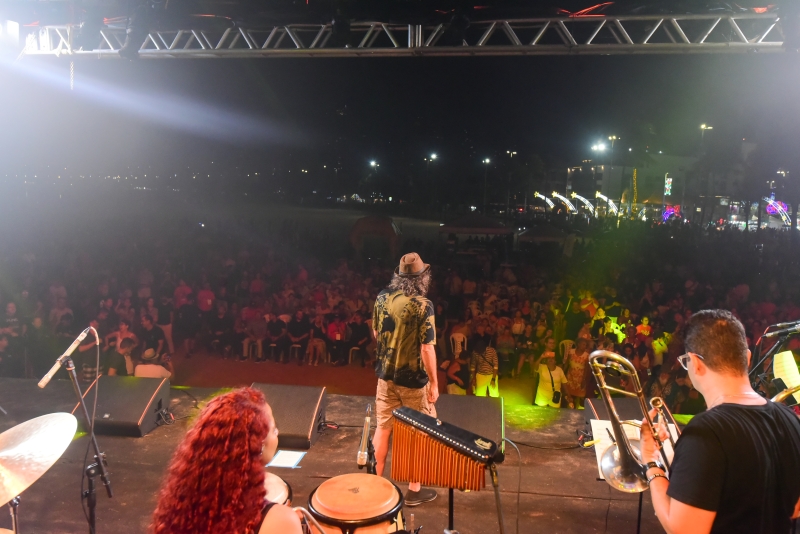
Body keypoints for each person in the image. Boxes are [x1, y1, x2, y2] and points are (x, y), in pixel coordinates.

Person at [639, 309, 800, 534]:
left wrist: (651, 463)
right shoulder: (791, 419)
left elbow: (684, 530)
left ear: (695, 363)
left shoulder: (706, 432)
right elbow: (794, 509)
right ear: (747, 358)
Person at [151, 388, 302, 534]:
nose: (277, 434)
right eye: (274, 430)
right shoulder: (280, 522)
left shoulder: (179, 507)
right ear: (259, 445)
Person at [371, 253, 439, 507]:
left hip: (385, 376)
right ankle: (413, 490)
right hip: (413, 381)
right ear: (423, 278)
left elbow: (377, 332)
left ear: (398, 276)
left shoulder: (382, 297)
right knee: (416, 434)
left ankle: (373, 486)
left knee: (382, 428)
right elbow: (427, 348)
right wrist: (434, 383)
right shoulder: (423, 305)